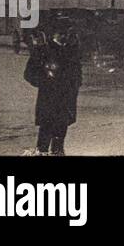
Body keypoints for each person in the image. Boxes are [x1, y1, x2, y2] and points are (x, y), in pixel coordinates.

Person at [24, 27, 83, 156]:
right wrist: (45, 82)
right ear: (53, 34)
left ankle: (58, 151)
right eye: (61, 33)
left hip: (66, 96)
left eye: (66, 33)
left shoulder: (71, 51)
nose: (64, 36)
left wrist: (75, 86)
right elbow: (29, 73)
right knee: (47, 125)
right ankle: (42, 151)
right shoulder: (44, 51)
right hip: (49, 96)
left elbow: (78, 74)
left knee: (62, 126)